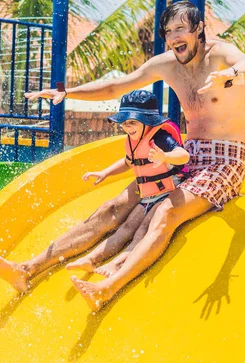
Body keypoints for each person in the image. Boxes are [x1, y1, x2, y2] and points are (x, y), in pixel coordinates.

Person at [0, 1, 245, 306]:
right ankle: (27, 269)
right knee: (114, 206)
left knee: (166, 211)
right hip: (185, 153)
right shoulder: (167, 64)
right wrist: (68, 93)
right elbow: (116, 86)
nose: (174, 37)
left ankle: (108, 287)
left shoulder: (221, 55)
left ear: (198, 29)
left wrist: (231, 75)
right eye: (169, 31)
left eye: (181, 29)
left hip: (224, 161)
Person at [64, 90, 189, 277]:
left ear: (148, 120)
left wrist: (165, 156)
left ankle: (118, 263)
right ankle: (92, 259)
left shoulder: (160, 137)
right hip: (148, 195)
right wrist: (105, 172)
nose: (127, 127)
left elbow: (183, 155)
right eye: (124, 123)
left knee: (143, 229)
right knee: (126, 227)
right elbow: (129, 162)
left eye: (132, 122)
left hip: (169, 191)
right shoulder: (133, 141)